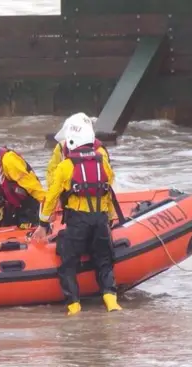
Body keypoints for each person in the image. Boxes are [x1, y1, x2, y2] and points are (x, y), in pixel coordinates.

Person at [32, 116, 122, 316]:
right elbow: (108, 191)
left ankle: (74, 306)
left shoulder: (65, 166)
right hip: (100, 220)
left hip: (78, 223)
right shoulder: (102, 161)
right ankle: (111, 301)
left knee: (68, 264)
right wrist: (110, 218)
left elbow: (52, 196)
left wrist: (43, 223)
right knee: (104, 262)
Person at [45, 113, 113, 190]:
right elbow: (51, 171)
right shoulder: (61, 147)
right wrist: (55, 190)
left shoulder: (100, 151)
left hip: (92, 193)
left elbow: (107, 177)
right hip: (68, 192)